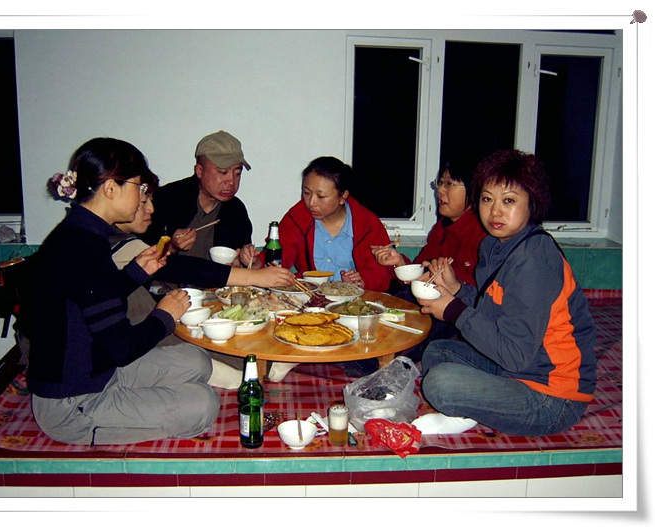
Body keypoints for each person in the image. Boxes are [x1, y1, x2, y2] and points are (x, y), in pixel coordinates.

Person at [27, 138, 220, 446]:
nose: (145, 199)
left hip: (101, 369)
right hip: (72, 402)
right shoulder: (83, 247)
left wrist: (134, 274)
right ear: (110, 189)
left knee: (198, 361)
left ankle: (130, 398)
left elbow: (89, 300)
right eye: (139, 187)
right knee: (204, 404)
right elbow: (122, 348)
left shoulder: (82, 233)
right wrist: (164, 317)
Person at [414, 150, 597, 436]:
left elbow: (514, 354)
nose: (495, 212)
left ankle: (467, 410)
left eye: (509, 201)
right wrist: (456, 288)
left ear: (532, 204)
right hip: (516, 371)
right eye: (487, 199)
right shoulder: (496, 245)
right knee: (438, 351)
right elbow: (493, 309)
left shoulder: (533, 260)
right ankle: (472, 409)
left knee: (440, 383)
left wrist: (453, 311)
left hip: (553, 396)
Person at [110, 171, 297, 387]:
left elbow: (165, 261)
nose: (151, 208)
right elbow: (181, 268)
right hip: (128, 346)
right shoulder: (113, 242)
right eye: (143, 202)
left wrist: (247, 264)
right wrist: (256, 277)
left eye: (237, 173)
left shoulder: (234, 209)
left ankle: (262, 366)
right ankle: (240, 372)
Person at [256, 156, 393, 292]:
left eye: (321, 196)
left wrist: (362, 282)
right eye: (306, 193)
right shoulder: (298, 217)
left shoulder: (367, 224)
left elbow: (382, 275)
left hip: (354, 298)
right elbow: (277, 258)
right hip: (309, 295)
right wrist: (256, 263)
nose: (311, 203)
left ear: (343, 196)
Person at [371, 155, 486, 290]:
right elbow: (420, 274)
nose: (440, 190)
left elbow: (478, 292)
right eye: (440, 183)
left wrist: (438, 275)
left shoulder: (483, 235)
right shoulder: (442, 227)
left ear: (473, 190)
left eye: (449, 184)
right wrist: (399, 262)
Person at [142, 130, 255, 265]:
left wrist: (247, 260)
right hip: (165, 278)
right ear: (200, 171)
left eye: (237, 173)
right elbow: (138, 256)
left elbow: (243, 260)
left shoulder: (236, 210)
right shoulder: (167, 198)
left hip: (217, 279)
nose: (231, 181)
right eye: (223, 172)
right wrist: (172, 246)